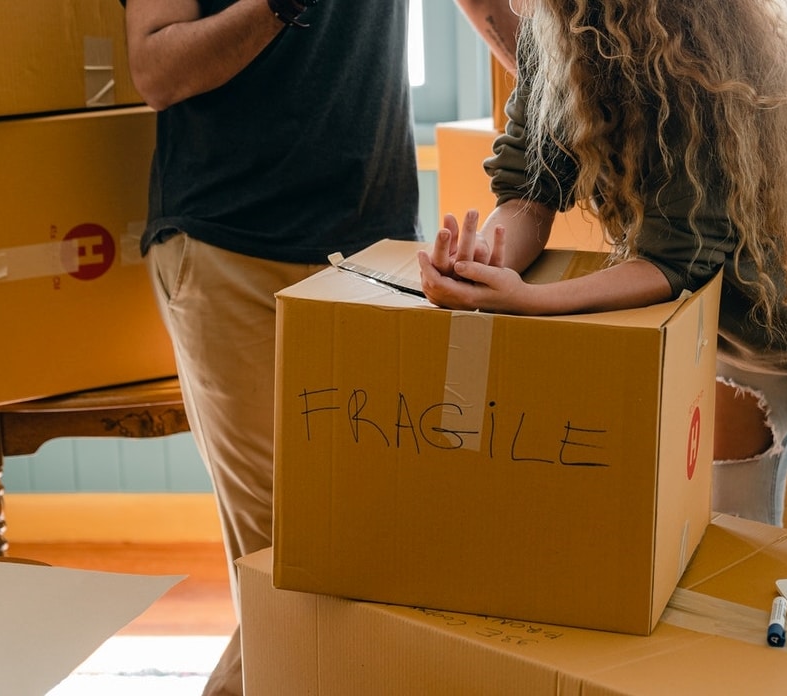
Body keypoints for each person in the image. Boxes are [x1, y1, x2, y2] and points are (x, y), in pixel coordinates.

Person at [418, 0, 787, 560]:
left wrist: (534, 301)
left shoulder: (691, 55)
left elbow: (675, 262)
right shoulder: (556, 33)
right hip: (734, 310)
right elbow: (529, 191)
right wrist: (489, 261)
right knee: (727, 530)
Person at [122, 1, 516, 693]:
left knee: (357, 555)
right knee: (290, 558)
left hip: (374, 246)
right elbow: (156, 69)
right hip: (230, 244)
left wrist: (576, 101)